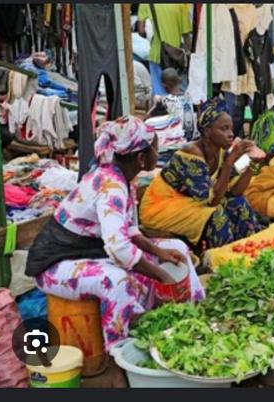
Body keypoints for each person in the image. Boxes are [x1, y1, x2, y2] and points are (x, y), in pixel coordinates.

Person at [26, 116, 205, 351]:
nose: (157, 153)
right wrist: (161, 275)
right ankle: (122, 349)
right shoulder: (111, 186)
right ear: (141, 158)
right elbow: (118, 248)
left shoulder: (121, 178)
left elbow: (127, 230)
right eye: (155, 148)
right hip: (56, 264)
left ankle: (192, 315)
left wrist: (158, 251)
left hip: (89, 252)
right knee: (117, 280)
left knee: (178, 249)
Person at [139, 97, 266, 250]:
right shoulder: (190, 154)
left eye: (231, 129)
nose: (231, 134)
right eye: (224, 128)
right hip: (160, 208)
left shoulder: (220, 152)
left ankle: (249, 249)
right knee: (216, 215)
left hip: (188, 203)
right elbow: (211, 201)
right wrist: (230, 161)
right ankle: (220, 259)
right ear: (207, 131)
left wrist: (253, 164)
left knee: (238, 203)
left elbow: (235, 192)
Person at [137, 4, 192, 96]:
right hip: (176, 56)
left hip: (157, 55)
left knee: (160, 95)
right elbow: (186, 35)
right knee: (178, 92)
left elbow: (141, 30)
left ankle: (162, 109)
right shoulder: (181, 5)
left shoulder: (145, 4)